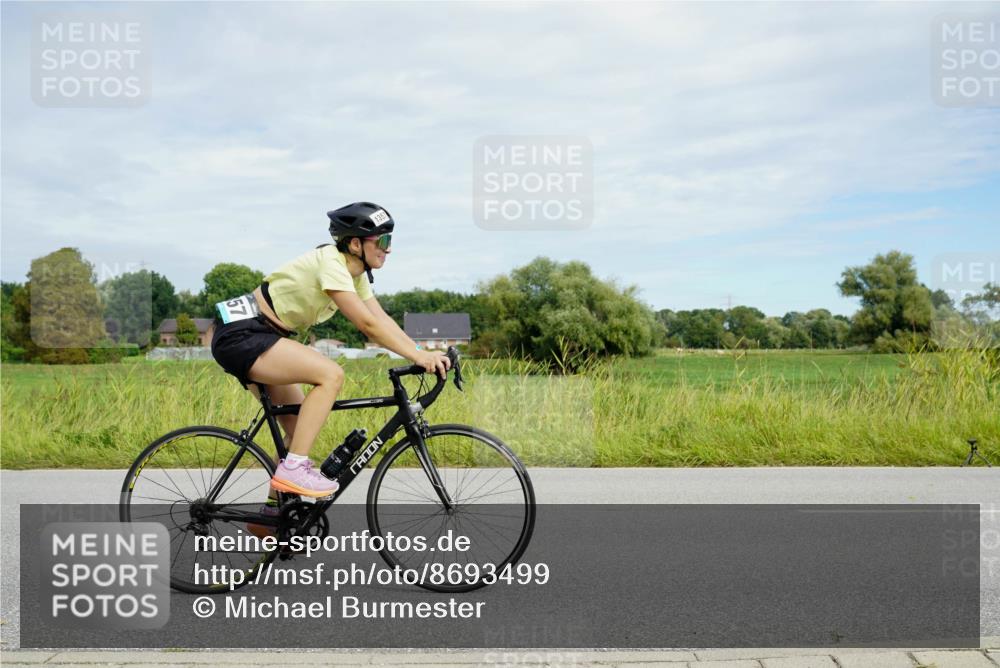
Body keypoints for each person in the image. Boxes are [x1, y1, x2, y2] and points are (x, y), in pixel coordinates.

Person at [210, 202, 450, 510]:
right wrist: (420, 358)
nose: (388, 249)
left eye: (391, 241)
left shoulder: (357, 274)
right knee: (330, 374)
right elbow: (367, 326)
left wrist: (422, 353)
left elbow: (382, 319)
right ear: (355, 244)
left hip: (262, 335)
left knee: (298, 432)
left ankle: (271, 516)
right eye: (383, 241)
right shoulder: (331, 263)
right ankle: (294, 469)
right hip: (243, 334)